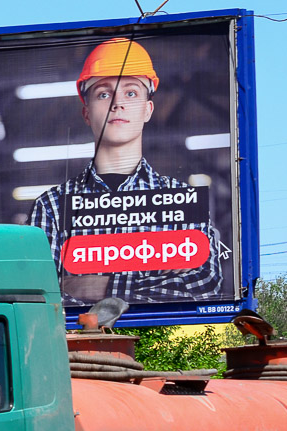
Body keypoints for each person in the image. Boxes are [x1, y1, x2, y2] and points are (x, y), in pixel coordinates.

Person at [29, 37, 225, 307]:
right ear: (86, 113)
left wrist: (106, 285)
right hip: (80, 347)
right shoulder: (50, 207)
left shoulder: (182, 199)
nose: (116, 104)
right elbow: (43, 297)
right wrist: (155, 284)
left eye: (131, 93)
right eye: (103, 93)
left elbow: (205, 283)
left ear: (148, 109)